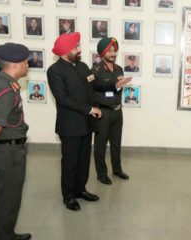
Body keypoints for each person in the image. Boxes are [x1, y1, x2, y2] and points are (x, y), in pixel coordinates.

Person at [47, 32, 102, 211]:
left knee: (84, 161)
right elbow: (62, 98)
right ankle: (68, 196)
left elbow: (93, 86)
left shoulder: (83, 66)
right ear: (65, 50)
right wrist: (89, 109)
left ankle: (80, 190)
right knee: (70, 162)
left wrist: (115, 85)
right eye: (76, 47)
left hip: (87, 124)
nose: (79, 49)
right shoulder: (54, 71)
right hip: (70, 126)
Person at [0, 43, 31, 240]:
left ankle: (6, 234)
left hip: (6, 149)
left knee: (7, 198)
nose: (27, 66)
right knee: (7, 199)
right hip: (8, 152)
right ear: (16, 64)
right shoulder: (6, 89)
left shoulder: (1, 82)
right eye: (25, 62)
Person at [90, 37, 131, 185]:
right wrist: (115, 85)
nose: (113, 53)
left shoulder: (119, 69)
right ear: (102, 53)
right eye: (110, 50)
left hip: (117, 111)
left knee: (116, 142)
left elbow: (117, 89)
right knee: (100, 145)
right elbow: (98, 86)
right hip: (103, 112)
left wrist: (118, 86)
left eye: (115, 50)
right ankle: (101, 174)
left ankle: (117, 169)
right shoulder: (95, 70)